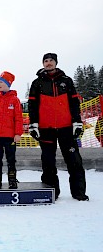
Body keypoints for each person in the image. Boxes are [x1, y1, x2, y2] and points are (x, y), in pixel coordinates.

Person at [28, 53, 89, 201]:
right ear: (43, 63)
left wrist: (77, 122)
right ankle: (51, 193)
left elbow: (74, 103)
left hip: (66, 128)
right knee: (48, 162)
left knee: (74, 161)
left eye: (51, 61)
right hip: (46, 129)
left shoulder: (66, 81)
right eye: (46, 61)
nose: (48, 63)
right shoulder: (37, 83)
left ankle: (78, 193)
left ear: (56, 63)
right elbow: (32, 106)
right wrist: (33, 125)